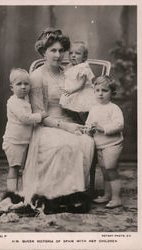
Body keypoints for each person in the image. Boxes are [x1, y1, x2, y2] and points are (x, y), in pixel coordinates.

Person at [22, 28, 95, 212]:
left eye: (61, 50)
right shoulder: (37, 76)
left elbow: (81, 97)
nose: (58, 54)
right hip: (47, 124)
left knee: (86, 141)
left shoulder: (69, 72)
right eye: (53, 50)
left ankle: (74, 193)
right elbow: (39, 115)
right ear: (43, 52)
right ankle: (55, 195)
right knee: (62, 143)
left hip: (70, 119)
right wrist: (66, 127)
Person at [2, 68, 47, 193]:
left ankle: (22, 190)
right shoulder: (13, 102)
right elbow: (24, 118)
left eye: (26, 84)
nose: (23, 87)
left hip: (25, 140)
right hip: (14, 141)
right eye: (19, 84)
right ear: (12, 87)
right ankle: (12, 192)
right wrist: (40, 116)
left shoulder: (26, 100)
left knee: (26, 167)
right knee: (14, 167)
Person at [84, 75, 124, 208]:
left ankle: (116, 197)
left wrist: (103, 128)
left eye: (105, 91)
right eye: (97, 90)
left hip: (112, 144)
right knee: (104, 170)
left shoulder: (113, 108)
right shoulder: (94, 108)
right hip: (100, 145)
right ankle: (107, 195)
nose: (100, 94)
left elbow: (119, 125)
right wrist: (89, 130)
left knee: (111, 169)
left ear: (112, 93)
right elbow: (88, 123)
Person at [59, 41, 97, 124]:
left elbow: (81, 84)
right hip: (72, 92)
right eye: (71, 53)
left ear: (84, 57)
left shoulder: (83, 67)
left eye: (77, 53)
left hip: (81, 92)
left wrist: (72, 91)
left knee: (82, 112)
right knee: (71, 111)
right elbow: (66, 75)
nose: (73, 55)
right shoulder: (69, 66)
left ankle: (87, 125)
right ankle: (79, 125)